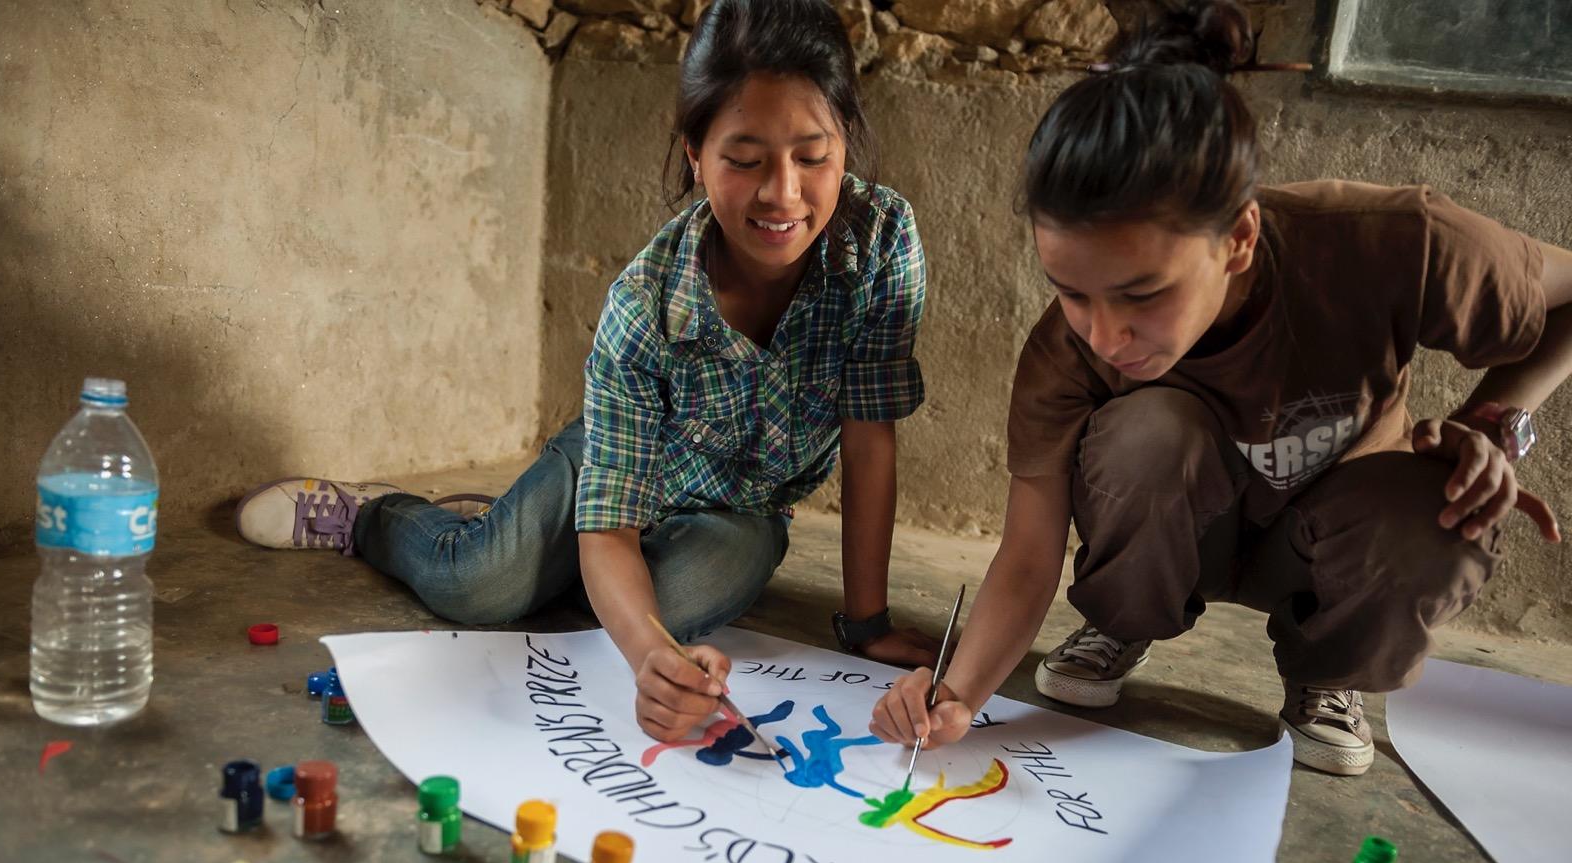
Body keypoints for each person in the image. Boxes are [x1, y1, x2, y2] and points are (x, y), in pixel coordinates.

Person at [871, 0, 1570, 776]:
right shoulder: (1063, 350)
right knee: (1148, 434)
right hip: (1176, 533)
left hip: (1338, 536)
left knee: (1444, 516)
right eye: (1071, 290)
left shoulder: (1391, 242)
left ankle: (1325, 670)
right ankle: (1125, 621)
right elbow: (1029, 554)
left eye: (1142, 294)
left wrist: (1494, 420)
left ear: (1237, 238)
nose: (1104, 334)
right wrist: (960, 693)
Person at [236, 0, 940, 740]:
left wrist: (866, 625)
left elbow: (868, 440)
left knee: (671, 603)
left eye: (812, 155)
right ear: (695, 151)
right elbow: (609, 525)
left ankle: (533, 541)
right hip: (615, 466)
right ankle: (378, 517)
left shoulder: (881, 245)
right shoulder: (643, 303)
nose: (783, 193)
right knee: (474, 585)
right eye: (744, 158)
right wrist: (646, 657)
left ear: (845, 144)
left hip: (742, 509)